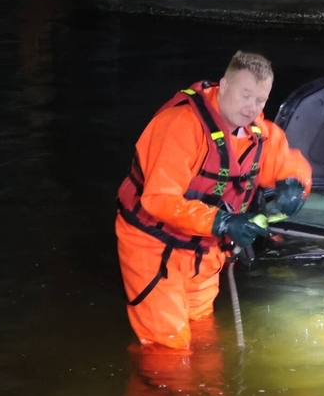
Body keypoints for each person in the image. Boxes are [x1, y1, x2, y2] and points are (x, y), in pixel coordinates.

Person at [116, 51, 312, 351]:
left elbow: (288, 162)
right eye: (246, 95)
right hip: (155, 248)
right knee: (167, 349)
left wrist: (295, 186)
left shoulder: (258, 132)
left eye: (261, 100)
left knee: (204, 335)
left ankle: (212, 395)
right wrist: (222, 222)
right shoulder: (180, 126)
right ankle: (163, 395)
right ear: (224, 85)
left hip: (206, 251)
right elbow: (159, 200)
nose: (252, 108)